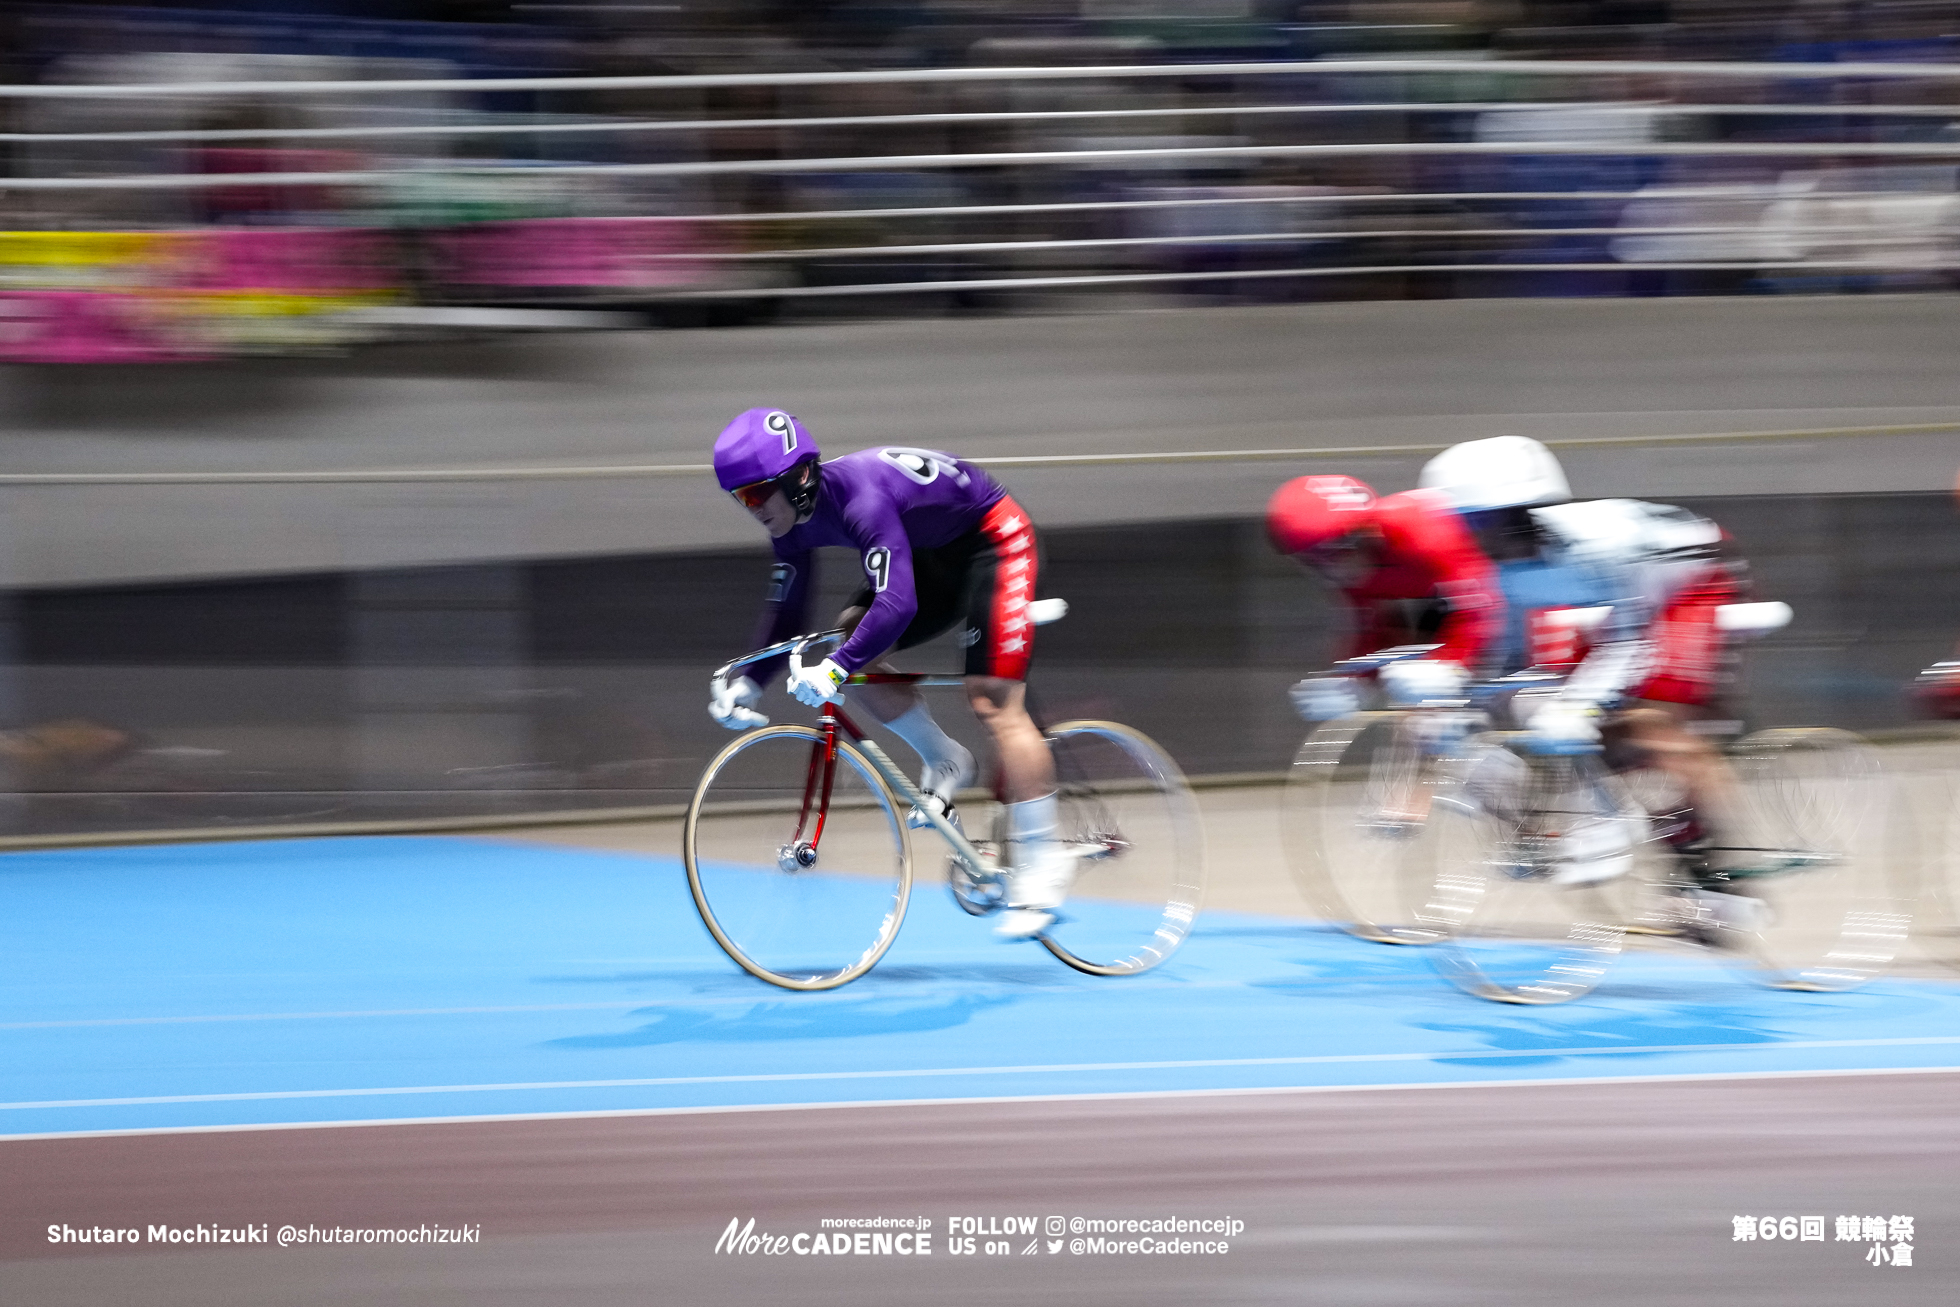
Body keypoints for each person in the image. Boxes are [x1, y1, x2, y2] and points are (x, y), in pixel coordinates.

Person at [706, 407, 1067, 939]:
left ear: (799, 478)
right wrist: (748, 681)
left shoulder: (862, 498)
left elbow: (896, 603)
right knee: (848, 637)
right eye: (741, 498)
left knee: (992, 698)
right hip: (932, 552)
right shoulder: (792, 520)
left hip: (992, 540)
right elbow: (789, 609)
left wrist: (834, 671)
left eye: (758, 494)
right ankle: (945, 758)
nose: (752, 509)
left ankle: (1047, 861)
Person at [1419, 436, 1767, 934]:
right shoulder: (1496, 567)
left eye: (1476, 522)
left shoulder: (1593, 548)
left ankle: (1726, 883)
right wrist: (1459, 703)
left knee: (1648, 724)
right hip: (1626, 606)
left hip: (1693, 582)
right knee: (1596, 736)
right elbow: (1512, 659)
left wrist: (1579, 706)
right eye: (1459, 524)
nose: (1467, 536)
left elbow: (1632, 642)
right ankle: (1690, 865)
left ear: (1521, 512)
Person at [1265, 473, 1503, 720]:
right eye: (1309, 563)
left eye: (1324, 559)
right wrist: (1353, 682)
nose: (1328, 574)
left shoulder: (1424, 534)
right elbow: (1374, 630)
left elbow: (1486, 605)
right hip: (1457, 603)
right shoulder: (1349, 569)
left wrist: (1453, 664)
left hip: (1503, 590)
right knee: (1427, 724)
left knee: (1526, 707)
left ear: (1360, 538)